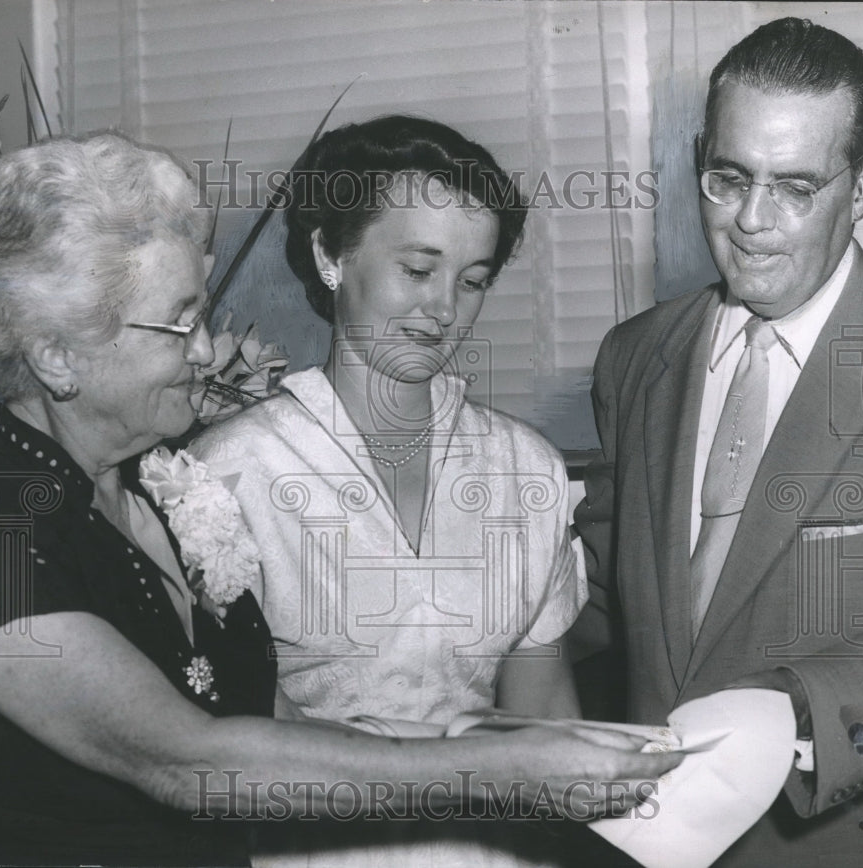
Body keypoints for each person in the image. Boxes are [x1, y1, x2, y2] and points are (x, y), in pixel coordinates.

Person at [0, 131, 678, 867]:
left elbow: (278, 723)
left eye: (199, 315)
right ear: (56, 355)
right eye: (177, 324)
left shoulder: (156, 486)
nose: (207, 351)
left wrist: (545, 750)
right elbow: (188, 762)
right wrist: (499, 772)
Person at [191, 116, 589, 864]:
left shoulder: (524, 470)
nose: (444, 310)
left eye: (472, 281)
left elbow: (542, 722)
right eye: (417, 269)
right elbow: (231, 742)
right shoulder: (231, 472)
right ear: (329, 255)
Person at [574, 17, 863, 867]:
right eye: (728, 178)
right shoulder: (632, 357)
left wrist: (794, 706)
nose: (751, 221)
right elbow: (603, 611)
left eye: (795, 187)